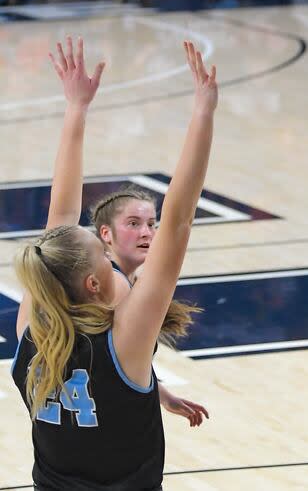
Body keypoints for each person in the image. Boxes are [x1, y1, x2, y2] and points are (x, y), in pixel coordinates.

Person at [11, 37, 217, 489]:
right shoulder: (126, 340)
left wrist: (76, 108)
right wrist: (203, 111)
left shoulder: (32, 329)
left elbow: (60, 217)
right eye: (104, 257)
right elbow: (179, 218)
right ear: (93, 284)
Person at [89, 188, 209, 427]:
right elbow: (100, 366)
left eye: (152, 224)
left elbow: (119, 360)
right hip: (101, 422)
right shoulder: (112, 286)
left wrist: (163, 395)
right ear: (106, 233)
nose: (146, 233)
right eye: (133, 224)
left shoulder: (123, 281)